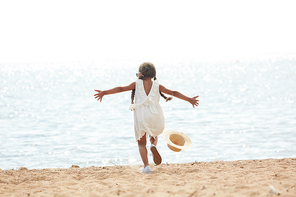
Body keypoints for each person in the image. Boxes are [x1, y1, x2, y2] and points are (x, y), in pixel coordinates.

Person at [94, 62, 199, 173]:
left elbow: (120, 89)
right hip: (155, 114)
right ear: (153, 74)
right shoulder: (157, 85)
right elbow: (173, 92)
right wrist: (189, 99)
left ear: (141, 74)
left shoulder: (136, 84)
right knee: (154, 134)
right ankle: (153, 145)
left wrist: (104, 92)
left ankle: (146, 166)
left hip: (141, 115)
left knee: (141, 143)